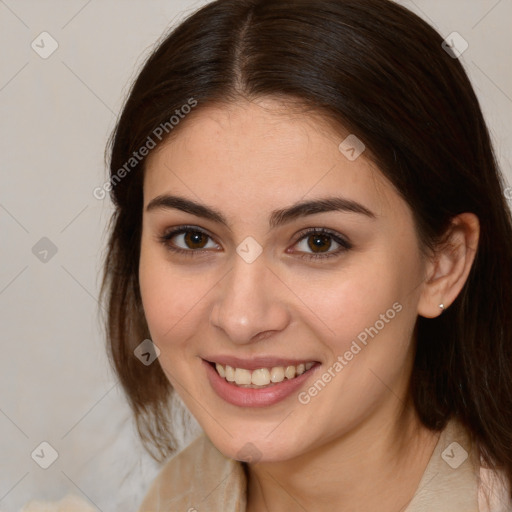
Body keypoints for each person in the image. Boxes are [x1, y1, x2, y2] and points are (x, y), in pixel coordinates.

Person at [100, 0, 512, 510]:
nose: (242, 317)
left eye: (319, 242)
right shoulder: (173, 498)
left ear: (442, 265)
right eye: (193, 238)